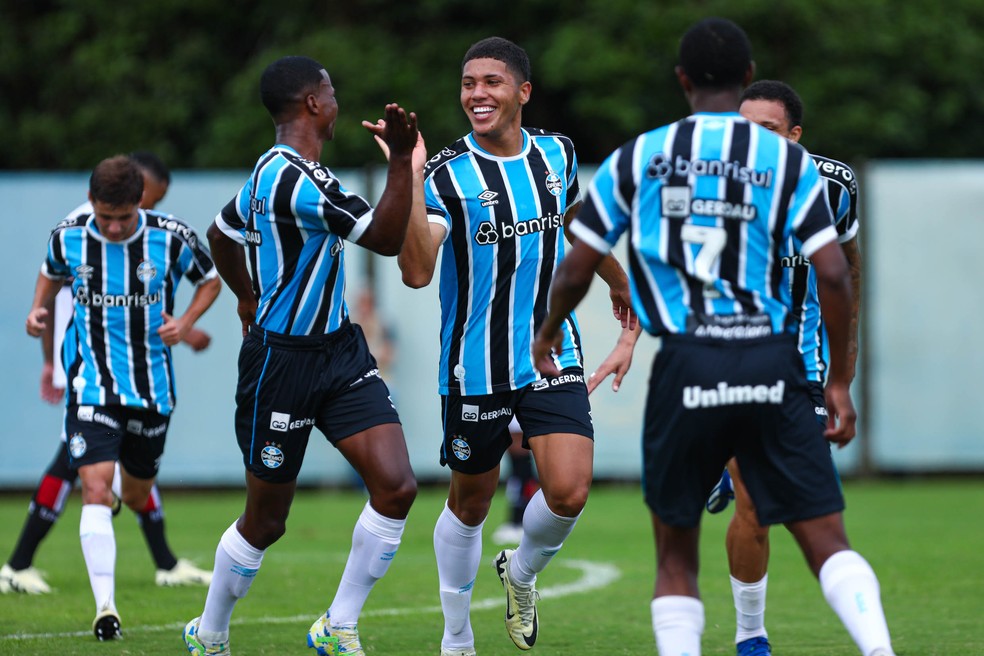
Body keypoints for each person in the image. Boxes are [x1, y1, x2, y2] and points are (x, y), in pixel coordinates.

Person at [532, 18, 895, 656]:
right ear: (748, 78)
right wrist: (840, 378)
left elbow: (575, 263)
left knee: (676, 555)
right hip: (772, 359)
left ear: (680, 80)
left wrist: (546, 334)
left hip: (688, 362)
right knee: (826, 539)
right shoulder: (786, 163)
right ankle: (877, 647)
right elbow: (836, 274)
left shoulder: (640, 156)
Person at [397, 37, 633, 656]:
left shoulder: (556, 154)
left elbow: (576, 224)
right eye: (469, 82)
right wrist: (411, 181)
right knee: (471, 501)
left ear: (522, 92)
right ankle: (457, 636)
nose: (477, 94)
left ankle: (520, 573)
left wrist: (619, 282)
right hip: (473, 364)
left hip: (550, 352)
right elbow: (418, 271)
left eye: (492, 82)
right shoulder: (447, 174)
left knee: (570, 490)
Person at [181, 55, 422, 656]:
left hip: (339, 353)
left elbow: (220, 231)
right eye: (332, 91)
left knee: (396, 486)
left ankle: (338, 625)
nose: (338, 100)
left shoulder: (277, 172)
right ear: (314, 104)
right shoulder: (296, 179)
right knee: (266, 522)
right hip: (280, 364)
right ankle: (208, 632)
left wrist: (245, 299)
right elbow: (388, 241)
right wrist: (400, 160)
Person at [24, 155, 221, 640]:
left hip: (152, 390)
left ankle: (119, 504)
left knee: (133, 494)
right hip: (90, 383)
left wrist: (187, 322)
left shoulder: (171, 235)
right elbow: (50, 272)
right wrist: (37, 310)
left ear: (141, 204)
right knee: (93, 487)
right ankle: (105, 608)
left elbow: (211, 280)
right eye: (104, 216)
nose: (112, 227)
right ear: (92, 202)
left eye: (123, 217)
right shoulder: (68, 234)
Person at [704, 79, 865, 656]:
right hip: (728, 358)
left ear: (795, 136)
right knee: (755, 503)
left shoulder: (834, 186)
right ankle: (751, 637)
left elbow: (847, 275)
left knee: (792, 502)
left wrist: (842, 376)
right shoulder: (707, 183)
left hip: (804, 367)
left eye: (767, 129)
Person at [491, 419, 539, 545]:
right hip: (510, 410)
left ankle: (519, 522)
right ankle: (519, 521)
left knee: (521, 467)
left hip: (519, 410)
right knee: (520, 469)